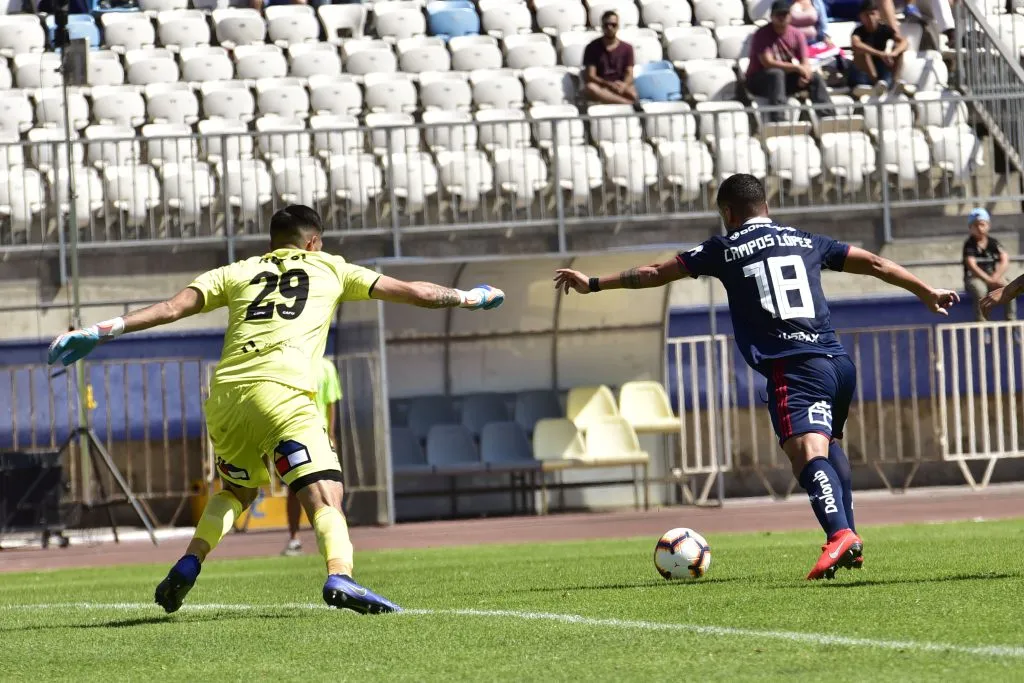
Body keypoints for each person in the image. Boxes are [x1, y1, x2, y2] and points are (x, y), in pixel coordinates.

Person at [47, 205, 505, 615]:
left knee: (237, 490)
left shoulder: (237, 271)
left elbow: (171, 308)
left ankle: (190, 560)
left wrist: (101, 330)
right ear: (313, 242)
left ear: (272, 243)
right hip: (282, 392)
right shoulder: (331, 267)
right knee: (325, 493)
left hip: (226, 396)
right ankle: (340, 574)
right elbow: (415, 293)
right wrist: (470, 298)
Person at [553, 174, 958, 580]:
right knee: (828, 445)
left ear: (727, 212)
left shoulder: (724, 248)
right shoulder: (805, 240)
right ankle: (846, 536)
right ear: (767, 206)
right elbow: (875, 262)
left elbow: (655, 272)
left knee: (806, 452)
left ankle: (840, 534)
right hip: (836, 363)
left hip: (793, 366)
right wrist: (926, 291)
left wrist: (594, 283)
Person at [282, 354, 341, 557]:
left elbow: (331, 403)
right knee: (294, 488)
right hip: (296, 435)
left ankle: (333, 538)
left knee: (331, 487)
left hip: (320, 436)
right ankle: (294, 538)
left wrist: (331, 435)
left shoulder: (326, 367)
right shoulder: (292, 364)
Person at [745, 0, 835, 123]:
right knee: (776, 73)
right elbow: (767, 62)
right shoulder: (762, 34)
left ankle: (828, 117)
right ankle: (779, 121)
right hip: (758, 82)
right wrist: (797, 68)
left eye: (785, 14)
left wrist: (805, 75)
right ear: (771, 16)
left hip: (783, 81)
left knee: (814, 77)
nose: (782, 18)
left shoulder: (797, 34)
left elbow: (805, 61)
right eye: (778, 15)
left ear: (790, 16)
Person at [963, 208, 1016, 322]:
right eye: (975, 225)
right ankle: (982, 322)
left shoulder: (993, 242)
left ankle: (1011, 321)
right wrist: (988, 280)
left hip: (993, 276)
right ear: (970, 227)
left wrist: (995, 277)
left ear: (988, 225)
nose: (979, 228)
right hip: (975, 278)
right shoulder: (969, 244)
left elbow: (1004, 259)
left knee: (1009, 287)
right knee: (980, 290)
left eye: (982, 224)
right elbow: (972, 265)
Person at [849, 0, 910, 96]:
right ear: (861, 17)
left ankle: (895, 82)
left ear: (878, 15)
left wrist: (894, 53)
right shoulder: (858, 31)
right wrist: (880, 53)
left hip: (881, 66)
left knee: (899, 50)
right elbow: (856, 44)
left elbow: (904, 42)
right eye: (866, 15)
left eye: (872, 14)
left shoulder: (884, 29)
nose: (870, 18)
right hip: (863, 73)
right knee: (862, 52)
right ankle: (874, 83)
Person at [582, 10, 637, 105]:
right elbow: (591, 75)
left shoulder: (627, 48)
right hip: (601, 86)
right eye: (606, 25)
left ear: (618, 26)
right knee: (591, 88)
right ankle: (627, 103)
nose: (609, 27)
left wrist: (624, 85)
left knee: (633, 93)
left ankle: (622, 101)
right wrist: (609, 85)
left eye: (613, 25)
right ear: (602, 26)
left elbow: (629, 73)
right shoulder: (592, 47)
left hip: (620, 85)